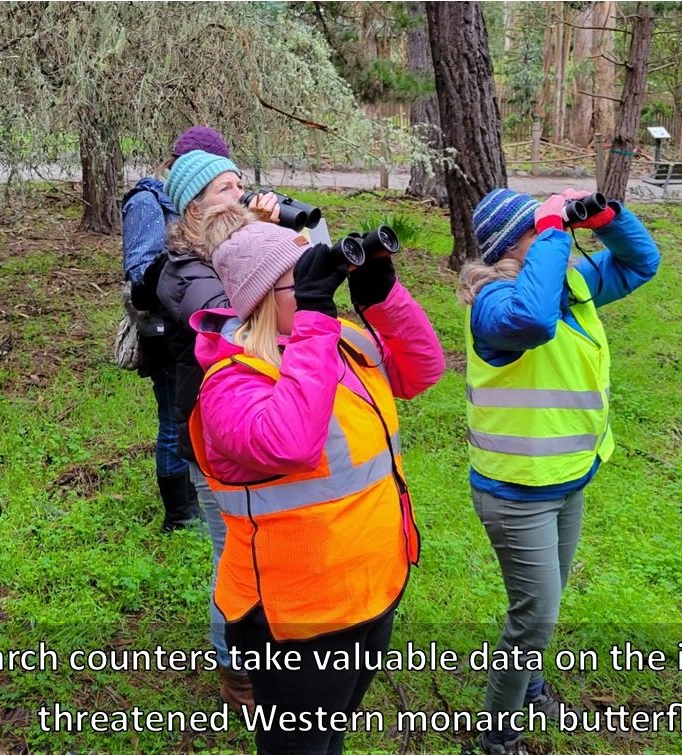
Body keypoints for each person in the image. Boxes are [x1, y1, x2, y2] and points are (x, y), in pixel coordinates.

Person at [187, 213, 444, 755]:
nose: (318, 288)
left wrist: (383, 298)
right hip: (295, 620)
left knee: (330, 736)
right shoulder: (230, 383)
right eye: (300, 281)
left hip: (371, 587)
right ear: (261, 298)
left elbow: (422, 371)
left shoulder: (339, 340)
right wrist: (316, 319)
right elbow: (290, 443)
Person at [459, 188, 661, 755]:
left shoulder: (567, 283)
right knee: (534, 619)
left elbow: (641, 262)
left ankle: (530, 688)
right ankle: (496, 738)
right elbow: (533, 320)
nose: (560, 238)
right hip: (517, 492)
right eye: (541, 232)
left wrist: (610, 220)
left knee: (543, 606)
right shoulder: (493, 304)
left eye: (558, 230)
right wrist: (552, 227)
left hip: (568, 478)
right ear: (514, 244)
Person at [156, 148, 280, 713]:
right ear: (194, 207)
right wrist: (261, 251)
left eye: (239, 185)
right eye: (226, 190)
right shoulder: (184, 271)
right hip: (211, 440)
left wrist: (271, 243)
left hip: (254, 425)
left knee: (263, 551)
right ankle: (237, 674)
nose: (239, 196)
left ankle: (267, 654)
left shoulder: (225, 251)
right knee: (233, 555)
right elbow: (237, 323)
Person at [121, 125, 232, 532]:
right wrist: (188, 274)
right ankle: (179, 514)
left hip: (197, 323)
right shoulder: (149, 202)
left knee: (196, 414)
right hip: (165, 329)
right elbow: (139, 271)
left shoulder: (206, 202)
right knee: (173, 418)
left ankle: (195, 497)